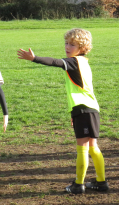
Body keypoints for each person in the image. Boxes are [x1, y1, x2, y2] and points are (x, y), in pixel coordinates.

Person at [17, 28, 108, 194]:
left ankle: (78, 185)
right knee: (93, 146)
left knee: (83, 148)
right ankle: (101, 182)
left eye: (72, 44)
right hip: (92, 109)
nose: (67, 47)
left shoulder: (73, 62)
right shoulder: (84, 62)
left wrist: (34, 58)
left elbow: (55, 62)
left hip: (83, 109)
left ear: (82, 47)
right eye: (66, 43)